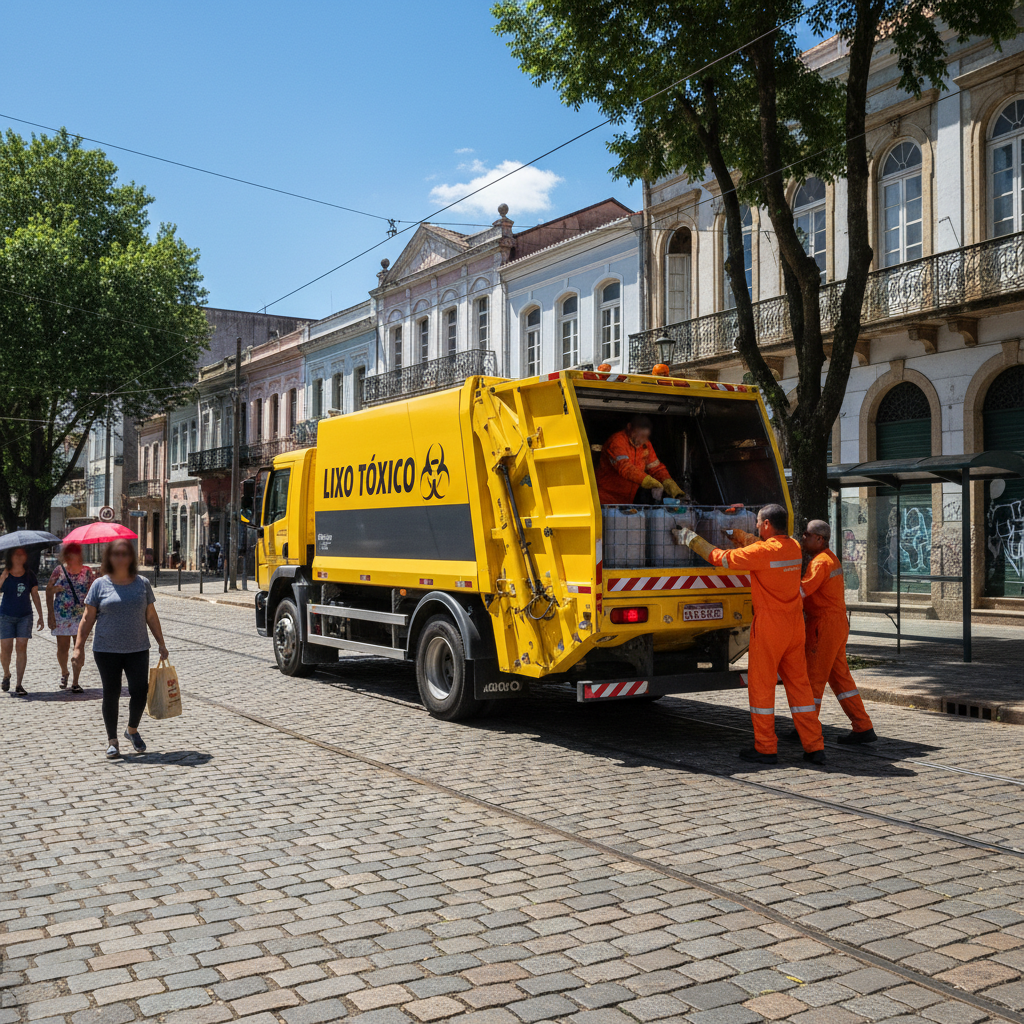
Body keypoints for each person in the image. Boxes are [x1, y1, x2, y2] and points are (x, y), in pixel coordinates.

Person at [675, 504, 826, 765]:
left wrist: (690, 538)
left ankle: (766, 747)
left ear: (767, 524)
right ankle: (815, 747)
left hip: (770, 627)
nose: (755, 526)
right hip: (794, 625)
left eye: (758, 522)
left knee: (762, 687)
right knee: (800, 686)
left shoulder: (762, 552)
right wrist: (740, 536)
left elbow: (721, 558)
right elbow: (761, 548)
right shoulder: (793, 546)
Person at [72, 539, 169, 759]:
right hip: (106, 649)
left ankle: (132, 730)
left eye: (125, 554)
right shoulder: (99, 585)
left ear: (131, 557)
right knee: (111, 692)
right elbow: (87, 618)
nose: (120, 558)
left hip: (138, 648)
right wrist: (78, 648)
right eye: (116, 554)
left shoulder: (142, 583)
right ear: (109, 557)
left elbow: (151, 616)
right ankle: (112, 741)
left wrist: (161, 643)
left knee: (140, 691)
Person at [799, 520, 877, 743]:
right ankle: (863, 726)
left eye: (807, 535)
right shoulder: (831, 559)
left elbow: (802, 591)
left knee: (813, 678)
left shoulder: (820, 563)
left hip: (823, 626)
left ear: (819, 539)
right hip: (836, 624)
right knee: (841, 679)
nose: (803, 538)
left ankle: (807, 728)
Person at [596, 415, 686, 506]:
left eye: (645, 436)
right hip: (605, 499)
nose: (641, 440)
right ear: (629, 427)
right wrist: (648, 480)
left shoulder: (645, 444)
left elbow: (656, 468)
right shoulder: (617, 442)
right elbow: (625, 468)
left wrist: (668, 482)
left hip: (626, 501)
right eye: (639, 435)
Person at [45, 542, 95, 693]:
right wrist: (50, 614)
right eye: (70, 554)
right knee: (63, 647)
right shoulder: (59, 571)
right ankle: (64, 672)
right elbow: (48, 591)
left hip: (81, 616)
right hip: (62, 615)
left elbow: (94, 592)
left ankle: (75, 681)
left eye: (76, 553)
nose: (73, 557)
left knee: (78, 647)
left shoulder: (87, 572)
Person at [0, 547, 44, 695]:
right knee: (6, 648)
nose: (19, 557)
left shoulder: (30, 575)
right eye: (16, 554)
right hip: (6, 616)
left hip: (25, 616)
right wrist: (3, 577)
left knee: (21, 646)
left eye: (22, 554)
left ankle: (19, 684)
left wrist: (41, 616)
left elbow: (35, 595)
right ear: (10, 557)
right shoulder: (5, 573)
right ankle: (6, 673)